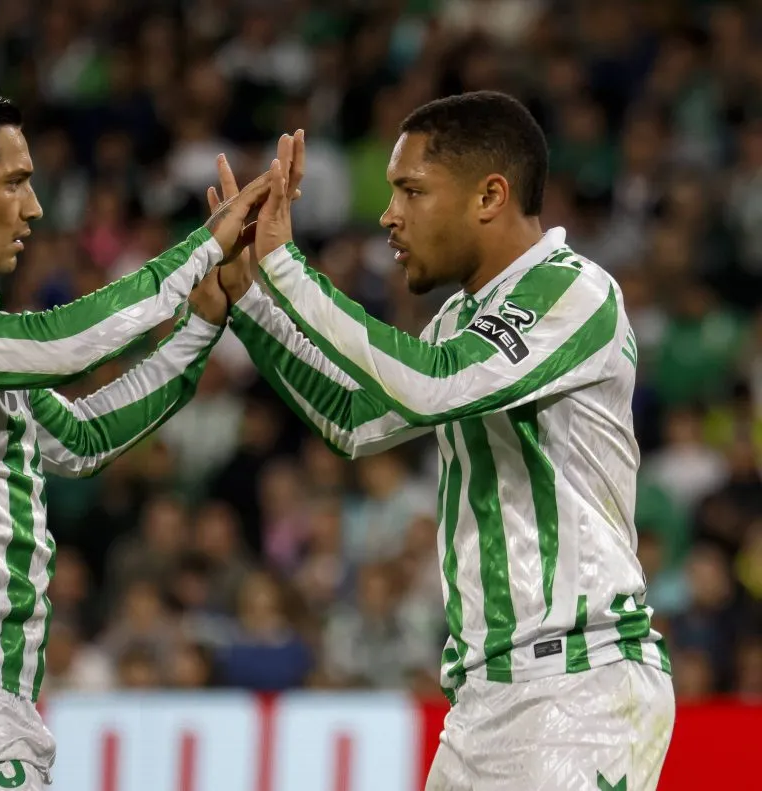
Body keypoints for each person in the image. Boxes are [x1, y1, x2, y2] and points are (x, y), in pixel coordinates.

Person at [214, 92, 675, 789]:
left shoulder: (574, 292)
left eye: (412, 190)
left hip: (578, 690)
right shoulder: (462, 320)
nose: (388, 214)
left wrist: (288, 267)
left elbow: (430, 385)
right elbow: (354, 420)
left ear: (489, 195)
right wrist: (248, 300)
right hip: (483, 702)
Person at [0, 84, 272, 791]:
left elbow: (82, 435)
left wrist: (200, 321)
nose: (34, 208)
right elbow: (61, 342)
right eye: (14, 182)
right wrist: (202, 246)